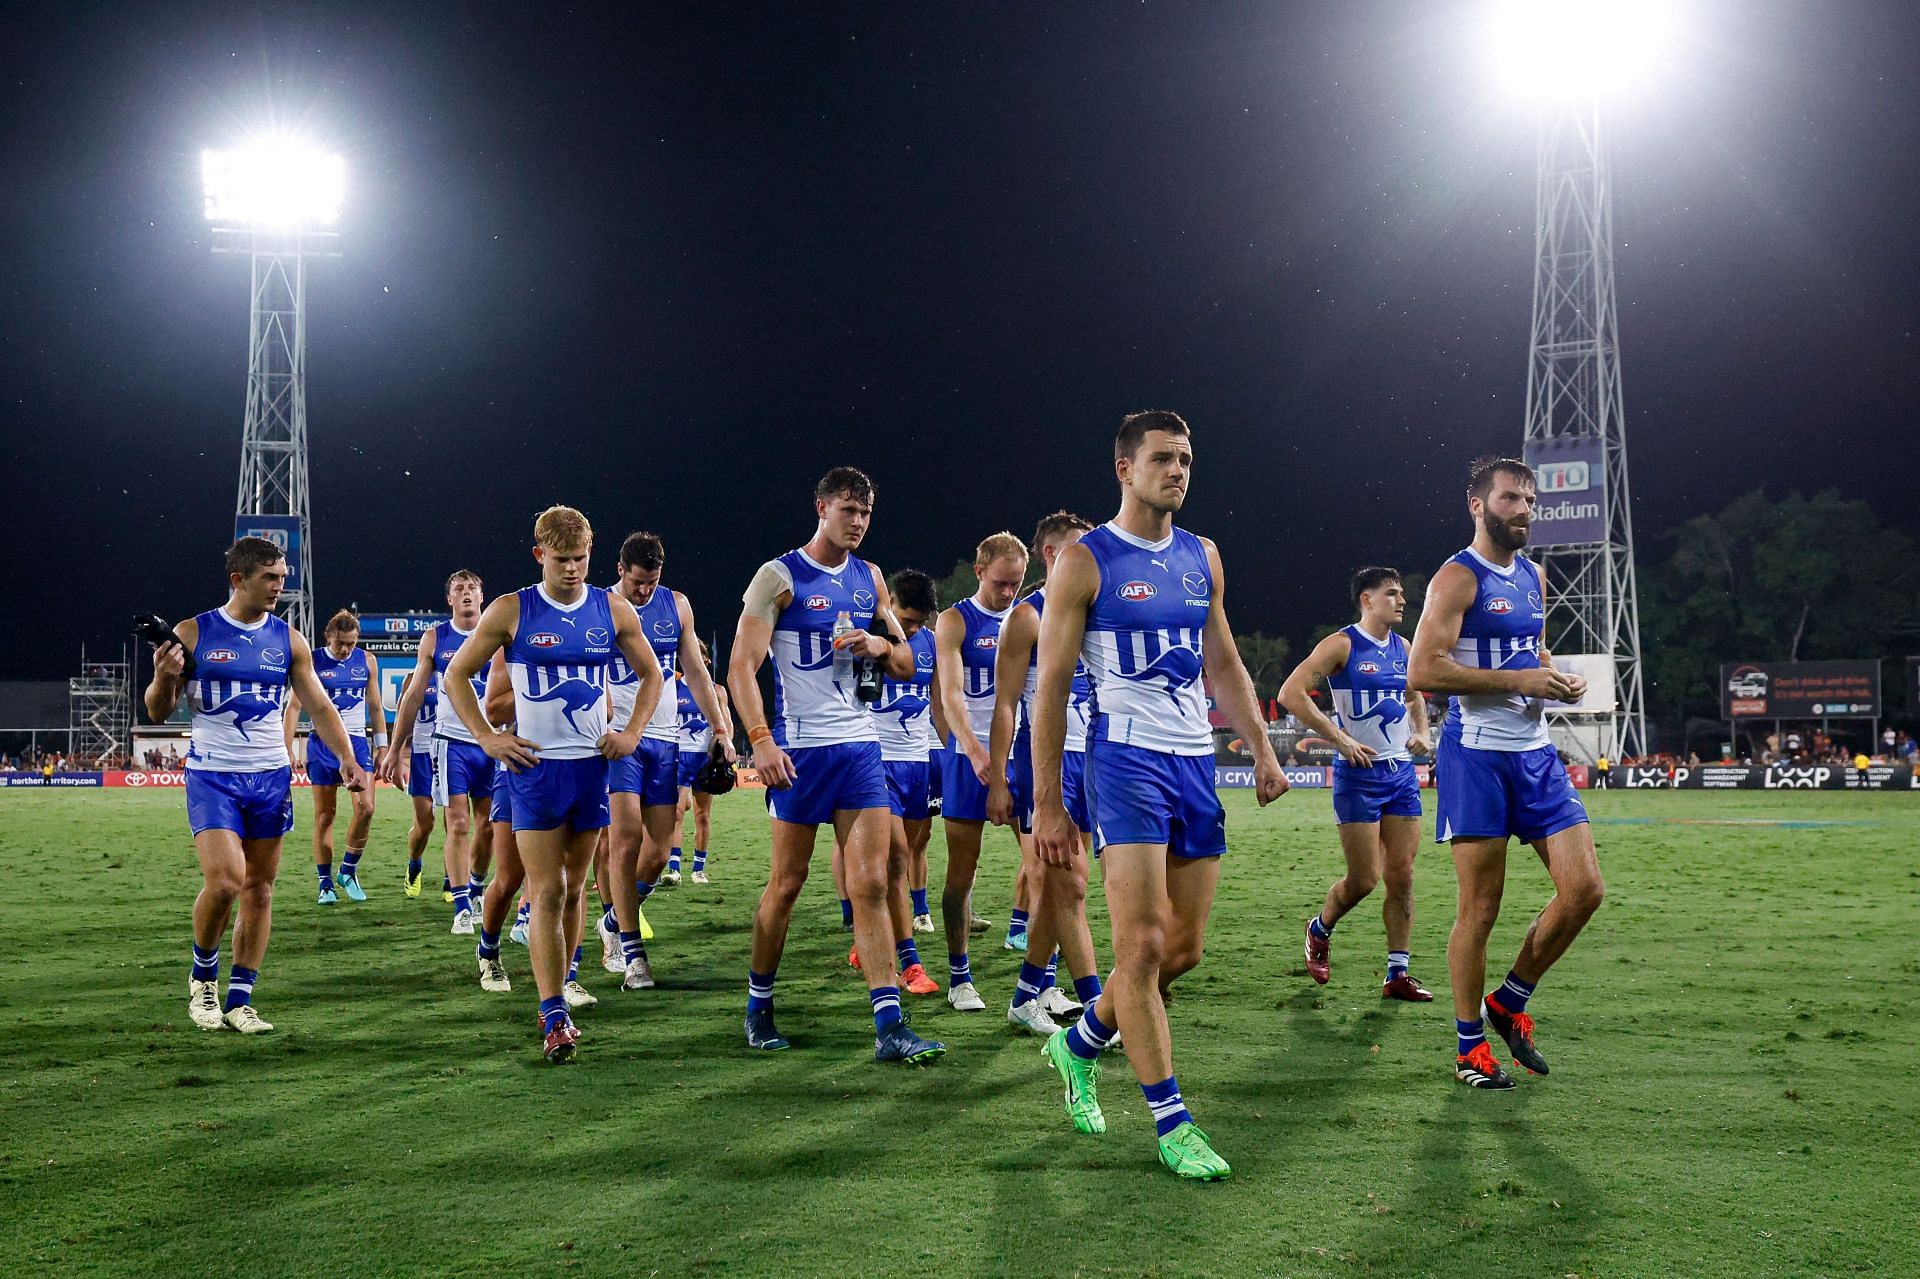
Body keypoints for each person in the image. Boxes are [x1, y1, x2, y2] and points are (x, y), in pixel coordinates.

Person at [1030, 411, 1288, 1181]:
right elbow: (1049, 691)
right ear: (1124, 468)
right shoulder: (1085, 561)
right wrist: (1049, 800)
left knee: (1183, 950)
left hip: (1194, 764)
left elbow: (1226, 662)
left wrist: (1263, 747)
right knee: (1140, 946)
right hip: (1124, 761)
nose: (1178, 470)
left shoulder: (1202, 556)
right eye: (1163, 458)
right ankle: (1173, 1121)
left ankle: (1077, 1043)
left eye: (1186, 458)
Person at [727, 465, 946, 1064]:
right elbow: (741, 667)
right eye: (848, 510)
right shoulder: (779, 577)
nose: (857, 522)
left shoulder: (870, 578)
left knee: (872, 882)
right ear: (821, 508)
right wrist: (761, 741)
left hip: (860, 747)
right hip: (800, 753)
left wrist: (878, 644)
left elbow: (904, 661)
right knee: (788, 884)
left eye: (866, 514)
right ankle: (758, 1007)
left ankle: (890, 1027)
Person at [1408, 455, 1605, 1091]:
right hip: (1476, 756)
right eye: (1511, 499)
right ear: (1478, 505)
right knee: (1481, 908)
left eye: (1529, 500)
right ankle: (1470, 1049)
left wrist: (1552, 678)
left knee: (1585, 891)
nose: (1524, 510)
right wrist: (1515, 679)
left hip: (1535, 752)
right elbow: (1423, 672)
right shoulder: (1456, 579)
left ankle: (1510, 999)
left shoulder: (1531, 577)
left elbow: (1529, 651)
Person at [441, 506, 663, 1063]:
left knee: (576, 886)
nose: (573, 570)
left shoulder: (611, 609)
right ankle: (552, 1014)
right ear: (540, 555)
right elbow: (455, 675)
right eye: (563, 560)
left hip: (591, 768)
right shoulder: (512, 609)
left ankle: (564, 982)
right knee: (544, 888)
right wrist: (489, 738)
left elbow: (654, 675)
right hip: (533, 770)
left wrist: (631, 731)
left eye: (582, 559)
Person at [147, 536, 368, 1034]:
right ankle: (203, 976)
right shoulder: (194, 632)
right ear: (238, 580)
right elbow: (158, 709)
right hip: (213, 777)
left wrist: (348, 759)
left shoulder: (287, 640)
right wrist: (163, 678)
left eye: (283, 577)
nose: (279, 586)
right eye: (270, 578)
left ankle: (240, 998)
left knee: (260, 891)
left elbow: (319, 707)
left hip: (270, 776)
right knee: (225, 881)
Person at [1279, 567, 1435, 1001]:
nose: (1402, 600)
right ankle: (1319, 928)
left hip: (1401, 774)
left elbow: (1414, 696)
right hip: (1358, 778)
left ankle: (1397, 974)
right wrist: (1340, 738)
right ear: (1366, 600)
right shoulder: (1341, 645)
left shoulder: (1404, 648)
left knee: (1402, 877)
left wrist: (1422, 733)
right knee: (1365, 879)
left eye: (1402, 593)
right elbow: (1290, 694)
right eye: (1391, 593)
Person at [986, 511, 1106, 1035]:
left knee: (1061, 891)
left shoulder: (1099, 612)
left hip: (1095, 761)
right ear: (1052, 555)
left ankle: (1026, 994)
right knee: (1071, 886)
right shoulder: (1026, 618)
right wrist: (997, 779)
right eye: (1076, 549)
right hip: (1047, 763)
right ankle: (1102, 1010)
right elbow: (1005, 705)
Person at [598, 532, 733, 992]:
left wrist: (720, 729)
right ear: (620, 570)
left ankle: (615, 919)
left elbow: (695, 669)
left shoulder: (675, 605)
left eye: (652, 583)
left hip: (665, 738)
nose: (644, 592)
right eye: (638, 583)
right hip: (619, 741)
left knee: (657, 853)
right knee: (626, 839)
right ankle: (634, 956)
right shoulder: (600, 606)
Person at [934, 532, 1031, 1017]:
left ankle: (1042, 979)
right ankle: (959, 977)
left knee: (1046, 866)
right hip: (967, 758)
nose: (1008, 592)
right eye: (999, 583)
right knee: (961, 873)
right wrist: (974, 751)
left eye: (1016, 584)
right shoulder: (955, 621)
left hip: (1021, 755)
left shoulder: (1032, 618)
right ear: (979, 572)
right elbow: (951, 696)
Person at [379, 571, 495, 934]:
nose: (465, 594)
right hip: (450, 741)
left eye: (471, 588)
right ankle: (461, 904)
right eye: (458, 589)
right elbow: (413, 695)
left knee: (488, 827)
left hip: (492, 742)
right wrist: (395, 749)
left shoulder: (498, 633)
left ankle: (475, 889)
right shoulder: (436, 638)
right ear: (449, 599)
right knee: (457, 822)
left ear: (481, 595)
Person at [850, 568, 945, 997]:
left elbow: (939, 701)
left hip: (917, 762)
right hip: (875, 760)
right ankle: (909, 963)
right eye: (906, 620)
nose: (912, 630)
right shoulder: (864, 637)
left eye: (919, 623)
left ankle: (866, 940)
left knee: (904, 858)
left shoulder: (930, 643)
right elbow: (854, 696)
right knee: (895, 858)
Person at [285, 609, 386, 905]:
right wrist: (287, 746)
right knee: (325, 816)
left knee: (366, 808)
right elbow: (293, 707)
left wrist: (382, 747)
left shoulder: (367, 661)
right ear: (329, 636)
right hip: (322, 744)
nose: (345, 649)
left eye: (351, 643)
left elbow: (377, 707)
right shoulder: (313, 660)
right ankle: (325, 883)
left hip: (356, 743)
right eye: (341, 643)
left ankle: (348, 870)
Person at [672, 642, 734, 885]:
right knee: (676, 813)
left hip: (703, 758)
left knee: (702, 816)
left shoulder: (716, 691)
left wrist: (722, 748)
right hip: (679, 756)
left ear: (707, 661)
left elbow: (727, 725)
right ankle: (674, 868)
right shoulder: (674, 687)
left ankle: (698, 869)